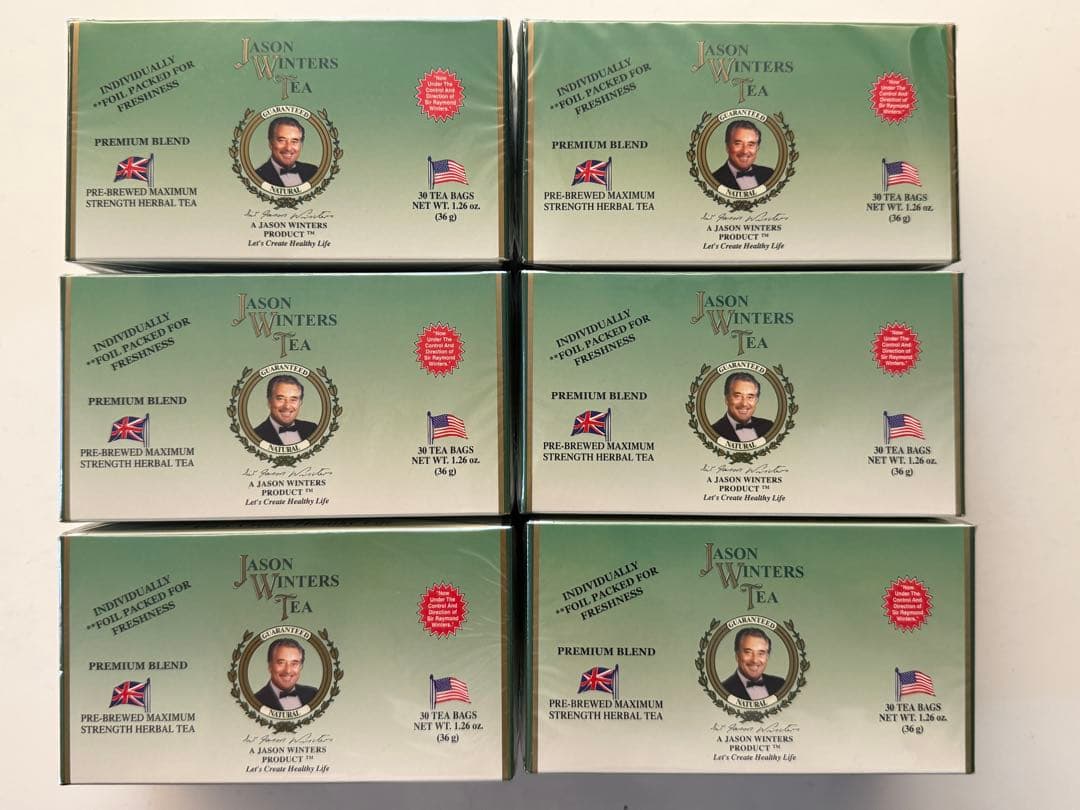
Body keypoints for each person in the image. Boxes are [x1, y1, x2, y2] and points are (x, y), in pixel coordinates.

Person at [253, 638, 318, 710]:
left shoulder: (313, 694)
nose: (288, 670)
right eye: (281, 663)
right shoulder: (255, 701)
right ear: (270, 666)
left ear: (301, 667)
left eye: (294, 663)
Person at [721, 627, 786, 700]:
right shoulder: (723, 690)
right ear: (737, 656)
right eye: (748, 652)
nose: (755, 660)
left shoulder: (780, 684)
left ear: (767, 657)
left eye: (761, 653)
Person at [253, 374, 318, 446]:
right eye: (280, 399)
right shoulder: (255, 435)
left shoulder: (312, 429)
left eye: (293, 399)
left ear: (300, 402)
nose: (287, 406)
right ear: (269, 402)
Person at [254, 116, 319, 188]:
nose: (288, 148)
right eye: (282, 140)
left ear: (301, 145)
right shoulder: (257, 177)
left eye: (294, 141)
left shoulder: (313, 171)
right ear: (271, 143)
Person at [711, 371, 774, 442]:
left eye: (750, 397)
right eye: (737, 396)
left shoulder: (769, 427)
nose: (744, 403)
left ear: (756, 400)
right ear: (727, 399)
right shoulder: (713, 432)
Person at [711, 120, 774, 190]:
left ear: (757, 148)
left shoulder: (769, 174)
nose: (745, 151)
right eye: (738, 144)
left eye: (751, 144)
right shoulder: (713, 180)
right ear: (727, 147)